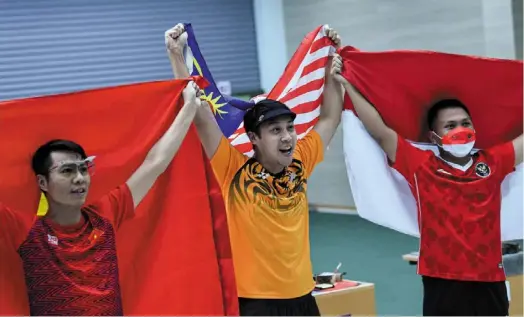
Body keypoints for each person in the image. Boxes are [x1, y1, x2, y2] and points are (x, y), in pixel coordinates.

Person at [165, 24, 344, 316]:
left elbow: (330, 118)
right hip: (255, 302)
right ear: (255, 139)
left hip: (303, 297)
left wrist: (330, 70)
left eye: (290, 128)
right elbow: (197, 111)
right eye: (275, 130)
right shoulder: (231, 169)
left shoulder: (300, 162)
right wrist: (176, 55)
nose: (287, 136)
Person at [332, 57, 523, 316]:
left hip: (489, 278)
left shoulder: (493, 162)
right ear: (434, 137)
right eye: (451, 125)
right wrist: (348, 85)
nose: (461, 130)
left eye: (466, 123)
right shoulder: (421, 165)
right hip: (443, 279)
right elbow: (380, 131)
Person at [0, 81, 203, 316]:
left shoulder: (106, 213)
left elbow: (155, 162)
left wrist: (188, 107)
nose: (79, 178)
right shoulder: (23, 229)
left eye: (83, 169)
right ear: (43, 182)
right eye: (67, 171)